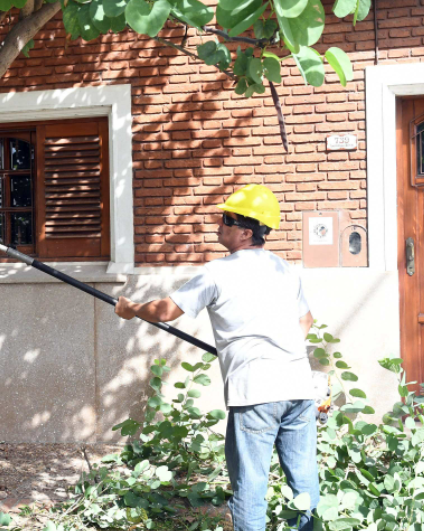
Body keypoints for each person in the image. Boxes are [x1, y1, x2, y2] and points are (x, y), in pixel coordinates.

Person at [114, 184, 318, 531]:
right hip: (299, 387)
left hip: (256, 393)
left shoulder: (217, 272)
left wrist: (131, 308)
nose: (217, 225)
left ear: (245, 231)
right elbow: (306, 320)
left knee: (251, 482)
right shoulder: (286, 270)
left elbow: (165, 311)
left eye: (226, 219)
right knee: (303, 479)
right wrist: (280, 350)